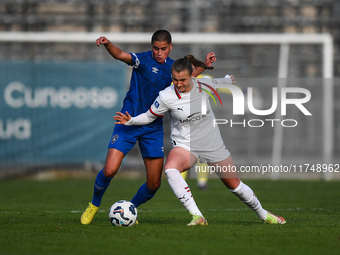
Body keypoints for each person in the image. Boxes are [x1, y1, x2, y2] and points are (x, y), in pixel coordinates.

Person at [114, 56, 286, 225]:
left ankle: (264, 215)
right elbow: (149, 116)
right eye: (175, 80)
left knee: (235, 186)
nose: (178, 84)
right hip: (185, 145)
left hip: (212, 143)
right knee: (171, 169)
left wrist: (227, 80)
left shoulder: (204, 85)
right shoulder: (166, 96)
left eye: (183, 80)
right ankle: (197, 216)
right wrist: (131, 121)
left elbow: (221, 82)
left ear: (192, 76)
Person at [80, 30, 216, 224]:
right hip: (127, 121)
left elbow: (188, 76)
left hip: (152, 128)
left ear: (170, 48)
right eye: (155, 48)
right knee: (110, 170)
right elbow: (120, 54)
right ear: (151, 47)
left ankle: (129, 209)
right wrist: (108, 43)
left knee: (154, 184)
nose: (159, 53)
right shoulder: (142, 60)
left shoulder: (172, 67)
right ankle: (93, 204)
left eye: (163, 49)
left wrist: (205, 65)